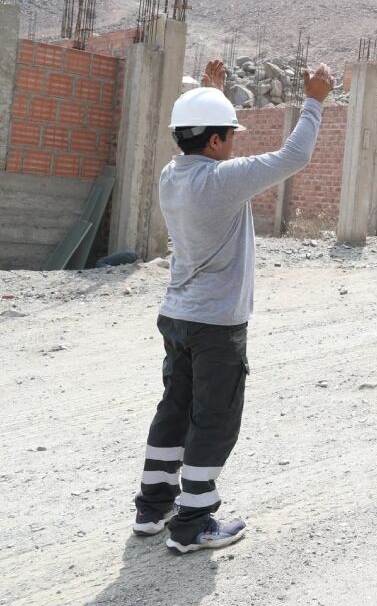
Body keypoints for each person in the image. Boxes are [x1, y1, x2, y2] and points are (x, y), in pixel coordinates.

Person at [131, 59, 333, 554]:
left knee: (173, 411)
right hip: (216, 327)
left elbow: (201, 138)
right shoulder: (223, 181)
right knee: (214, 419)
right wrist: (315, 100)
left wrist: (211, 94)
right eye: (230, 133)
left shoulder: (170, 175)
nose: (235, 142)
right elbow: (294, 156)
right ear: (217, 141)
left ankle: (152, 509)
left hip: (176, 317)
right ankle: (194, 523)